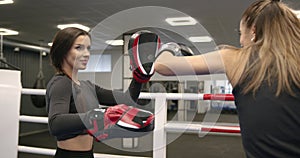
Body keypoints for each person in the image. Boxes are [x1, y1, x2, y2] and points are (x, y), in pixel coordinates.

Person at [154, 0, 300, 157]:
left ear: (253, 31)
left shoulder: (234, 58)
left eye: (241, 33)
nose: (240, 41)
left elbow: (162, 66)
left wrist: (170, 47)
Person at [46, 27, 159, 158]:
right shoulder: (61, 83)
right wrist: (100, 115)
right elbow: (55, 123)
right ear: (63, 51)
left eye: (88, 48)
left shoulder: (87, 86)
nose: (87, 53)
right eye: (79, 48)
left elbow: (127, 99)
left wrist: (139, 77)